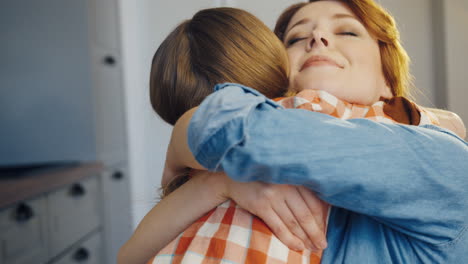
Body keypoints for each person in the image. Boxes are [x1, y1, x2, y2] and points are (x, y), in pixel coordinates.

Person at [159, 1, 468, 263]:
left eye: (347, 31)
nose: (317, 37)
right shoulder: (241, 168)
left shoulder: (443, 156)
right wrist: (218, 183)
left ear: (389, 79)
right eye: (295, 38)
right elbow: (130, 254)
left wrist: (185, 139)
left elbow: (229, 124)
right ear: (281, 74)